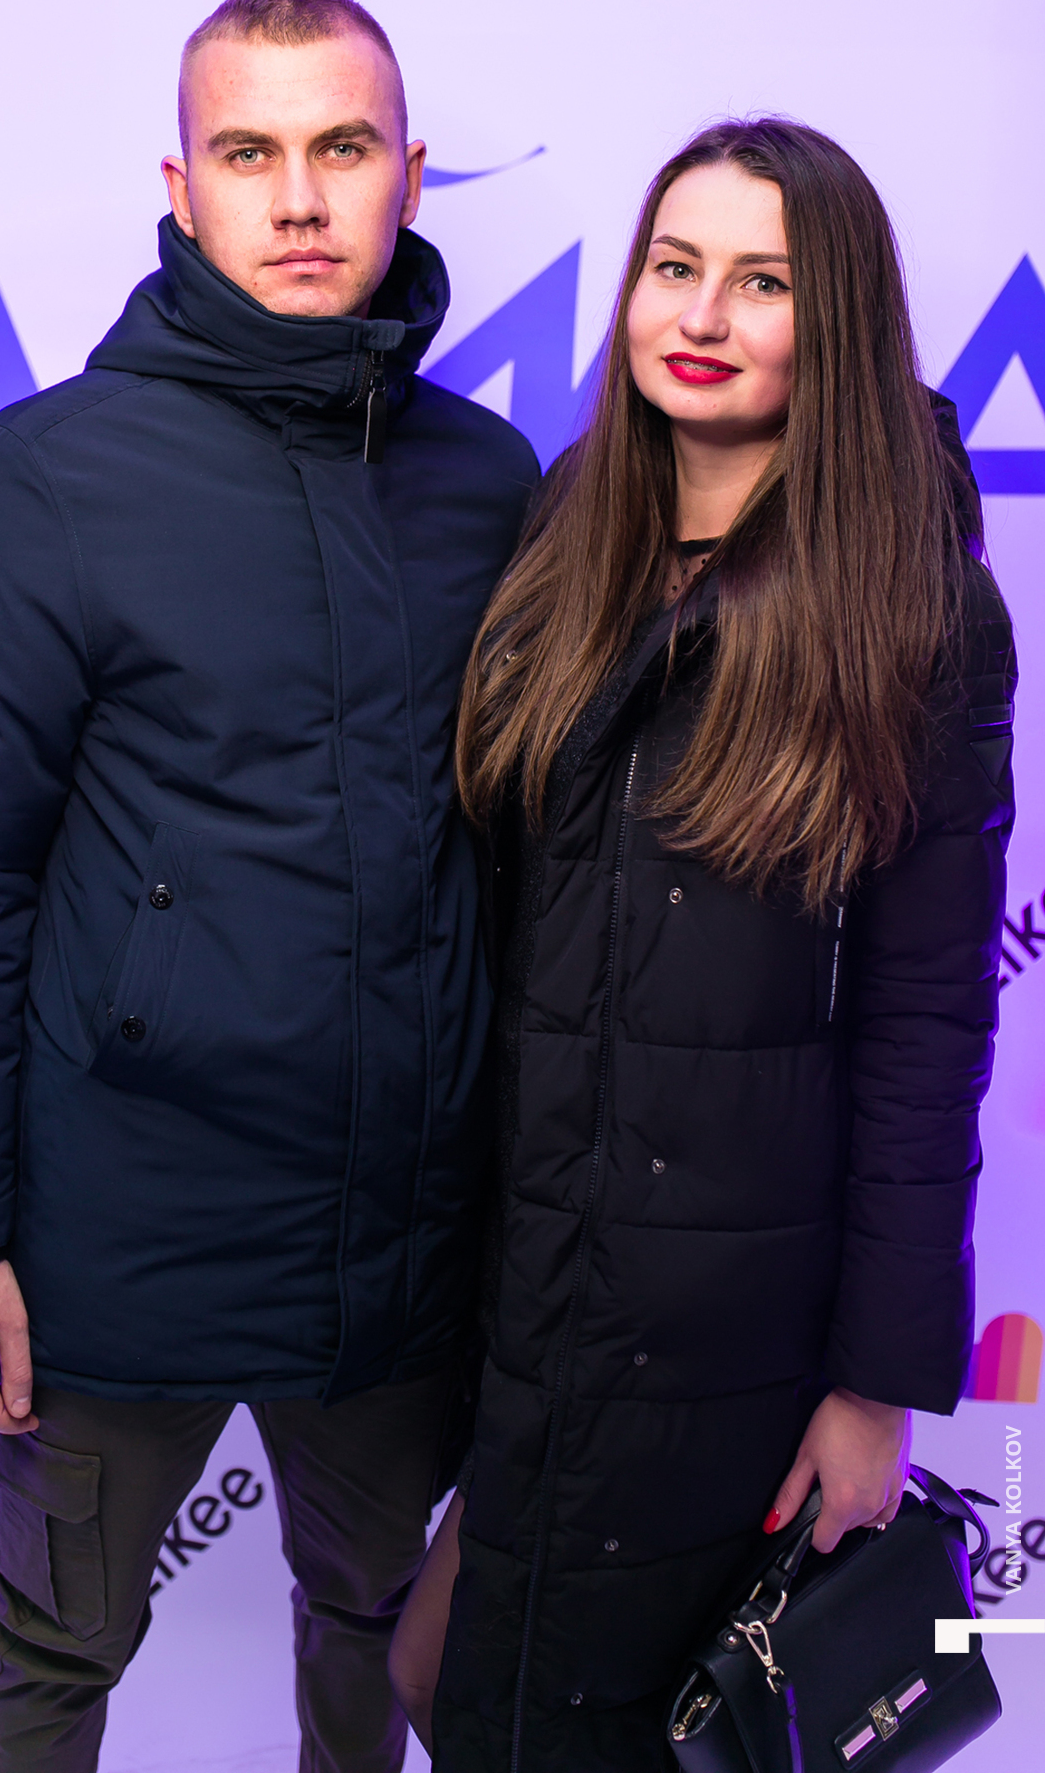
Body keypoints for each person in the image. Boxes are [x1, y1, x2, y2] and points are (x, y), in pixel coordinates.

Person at [0, 0, 538, 1773]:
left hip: (400, 1250)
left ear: (410, 174)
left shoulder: (492, 484)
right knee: (56, 1648)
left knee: (375, 1630)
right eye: (250, 154)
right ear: (181, 187)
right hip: (116, 1244)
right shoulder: (44, 479)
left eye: (342, 149)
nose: (300, 200)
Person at [387, 118, 1015, 1771]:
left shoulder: (916, 608)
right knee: (455, 1679)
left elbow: (928, 1020)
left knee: (621, 1731)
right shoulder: (567, 536)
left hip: (733, 1311)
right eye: (676, 266)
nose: (704, 315)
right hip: (534, 1275)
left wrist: (876, 1386)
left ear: (840, 320)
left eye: (764, 282)